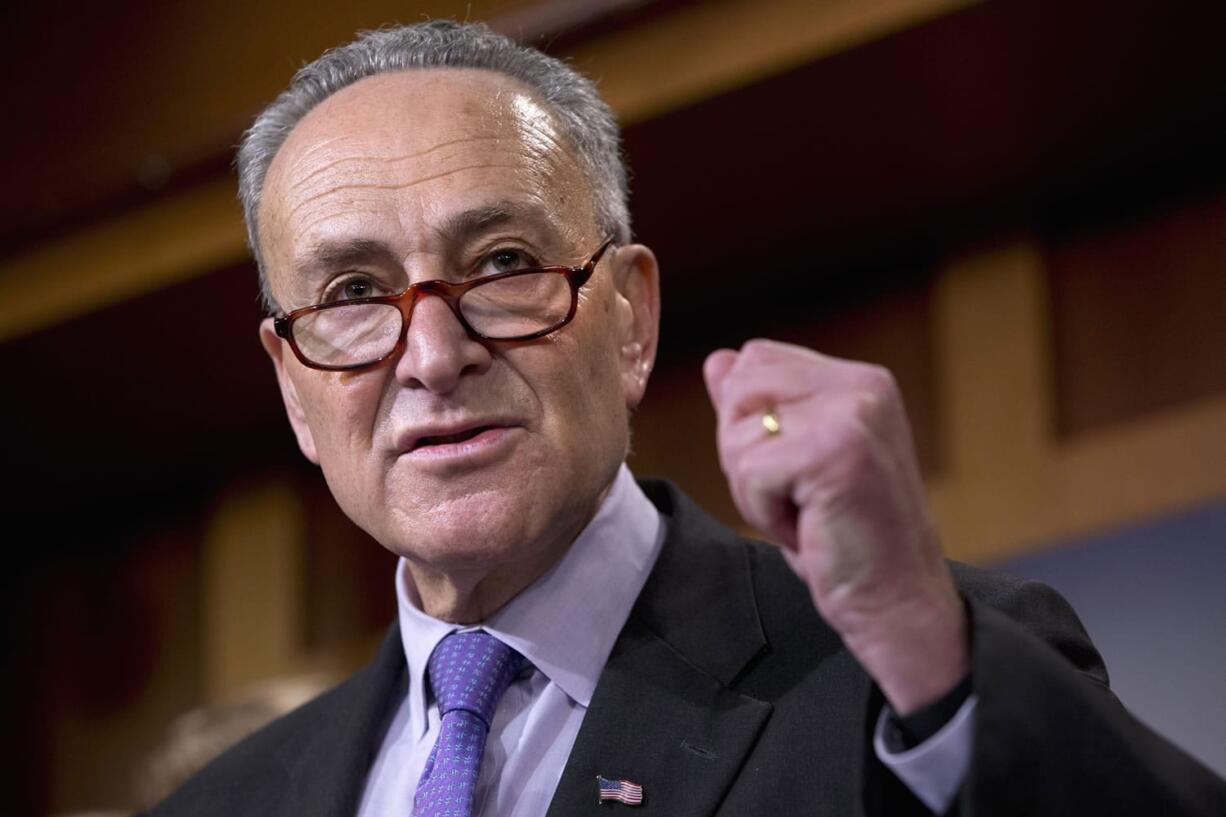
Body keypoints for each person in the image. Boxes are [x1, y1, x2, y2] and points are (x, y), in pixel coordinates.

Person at [146, 20, 1226, 817]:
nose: (433, 355)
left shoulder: (910, 679)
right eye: (349, 297)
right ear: (293, 384)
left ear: (629, 317)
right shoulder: (222, 803)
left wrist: (921, 651)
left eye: (505, 264)